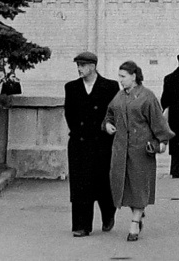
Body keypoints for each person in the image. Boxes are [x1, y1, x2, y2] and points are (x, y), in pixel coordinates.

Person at [104, 60, 174, 242]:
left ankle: (135, 222)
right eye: (119, 76)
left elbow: (158, 121)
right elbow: (109, 115)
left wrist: (162, 141)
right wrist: (108, 125)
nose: (120, 80)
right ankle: (137, 213)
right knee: (125, 186)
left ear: (134, 76)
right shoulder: (118, 97)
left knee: (140, 185)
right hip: (121, 150)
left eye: (123, 76)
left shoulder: (147, 97)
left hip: (141, 150)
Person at [64, 51, 119, 237]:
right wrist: (79, 133)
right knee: (80, 185)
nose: (79, 69)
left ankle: (108, 212)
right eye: (77, 65)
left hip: (102, 143)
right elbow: (69, 114)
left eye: (82, 65)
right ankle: (81, 225)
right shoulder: (71, 87)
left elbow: (114, 113)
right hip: (79, 143)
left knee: (102, 182)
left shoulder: (110, 86)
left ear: (93, 66)